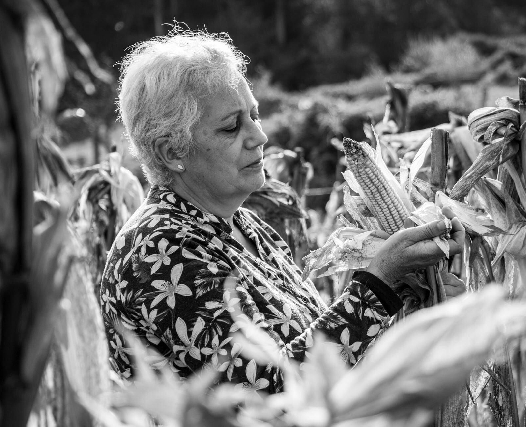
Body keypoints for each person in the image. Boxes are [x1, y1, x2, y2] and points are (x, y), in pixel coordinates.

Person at [100, 30, 465, 392]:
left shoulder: (247, 226)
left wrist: (409, 304)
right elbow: (271, 391)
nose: (259, 136)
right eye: (231, 126)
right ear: (172, 152)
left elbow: (320, 349)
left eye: (254, 115)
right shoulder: (157, 252)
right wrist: (380, 280)